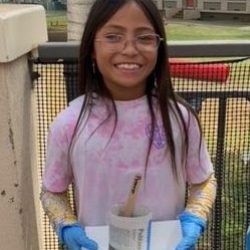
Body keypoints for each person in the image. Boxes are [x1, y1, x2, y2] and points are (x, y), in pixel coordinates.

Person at [40, 0, 217, 250]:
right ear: (92, 46)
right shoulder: (68, 123)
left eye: (144, 37)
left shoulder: (181, 118)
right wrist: (66, 225)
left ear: (158, 45)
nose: (130, 49)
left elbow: (204, 181)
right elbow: (52, 191)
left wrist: (195, 217)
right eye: (113, 36)